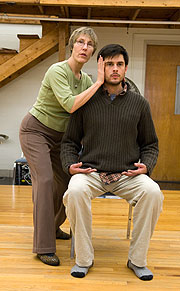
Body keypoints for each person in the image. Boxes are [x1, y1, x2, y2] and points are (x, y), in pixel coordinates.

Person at [60, 44, 164, 280]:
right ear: (100, 67)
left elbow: (150, 144)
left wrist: (146, 165)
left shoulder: (140, 104)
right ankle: (84, 259)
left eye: (119, 64)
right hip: (91, 173)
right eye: (109, 64)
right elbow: (69, 143)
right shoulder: (85, 102)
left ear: (126, 68)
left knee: (153, 192)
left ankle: (137, 260)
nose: (114, 69)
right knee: (74, 190)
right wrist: (70, 164)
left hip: (127, 175)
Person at [19, 27, 104, 266]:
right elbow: (69, 105)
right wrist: (99, 81)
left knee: (69, 183)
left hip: (61, 138)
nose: (84, 47)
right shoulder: (57, 70)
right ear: (72, 45)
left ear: (92, 52)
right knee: (45, 181)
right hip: (36, 131)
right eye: (80, 42)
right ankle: (43, 246)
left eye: (89, 44)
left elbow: (92, 112)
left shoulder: (85, 80)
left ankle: (53, 226)